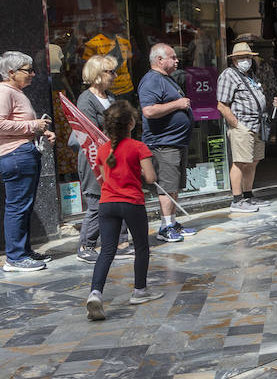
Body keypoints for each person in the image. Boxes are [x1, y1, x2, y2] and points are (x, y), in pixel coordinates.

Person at [85, 101, 159, 321]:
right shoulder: (139, 147)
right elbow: (151, 177)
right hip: (132, 203)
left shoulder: (102, 149)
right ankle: (139, 290)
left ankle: (95, 293)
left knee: (107, 250)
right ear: (131, 123)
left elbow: (105, 179)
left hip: (107, 204)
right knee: (141, 247)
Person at [73, 54, 131, 263]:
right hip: (95, 159)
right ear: (97, 74)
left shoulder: (111, 97)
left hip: (115, 155)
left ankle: (121, 242)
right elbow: (91, 131)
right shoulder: (86, 99)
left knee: (121, 198)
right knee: (97, 202)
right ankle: (86, 245)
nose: (115, 76)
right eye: (110, 72)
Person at [0, 52, 54, 272]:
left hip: (22, 152)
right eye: (27, 70)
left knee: (23, 205)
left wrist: (41, 132)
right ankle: (15, 257)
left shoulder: (14, 91)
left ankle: (23, 251)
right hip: (15, 155)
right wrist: (33, 126)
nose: (33, 74)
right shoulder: (4, 92)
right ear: (11, 72)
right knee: (17, 207)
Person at [138, 44, 197, 243]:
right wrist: (177, 104)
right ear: (159, 60)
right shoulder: (152, 80)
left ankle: (172, 222)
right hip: (163, 144)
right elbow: (149, 111)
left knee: (174, 187)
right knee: (166, 187)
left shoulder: (166, 79)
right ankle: (165, 227)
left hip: (176, 142)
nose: (177, 60)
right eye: (172, 57)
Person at [216, 41, 272, 214]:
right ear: (234, 60)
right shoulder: (229, 75)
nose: (246, 60)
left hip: (256, 125)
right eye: (242, 58)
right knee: (240, 162)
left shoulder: (250, 75)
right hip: (243, 126)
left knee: (253, 162)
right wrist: (237, 125)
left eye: (248, 57)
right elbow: (222, 105)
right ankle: (237, 199)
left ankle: (248, 195)